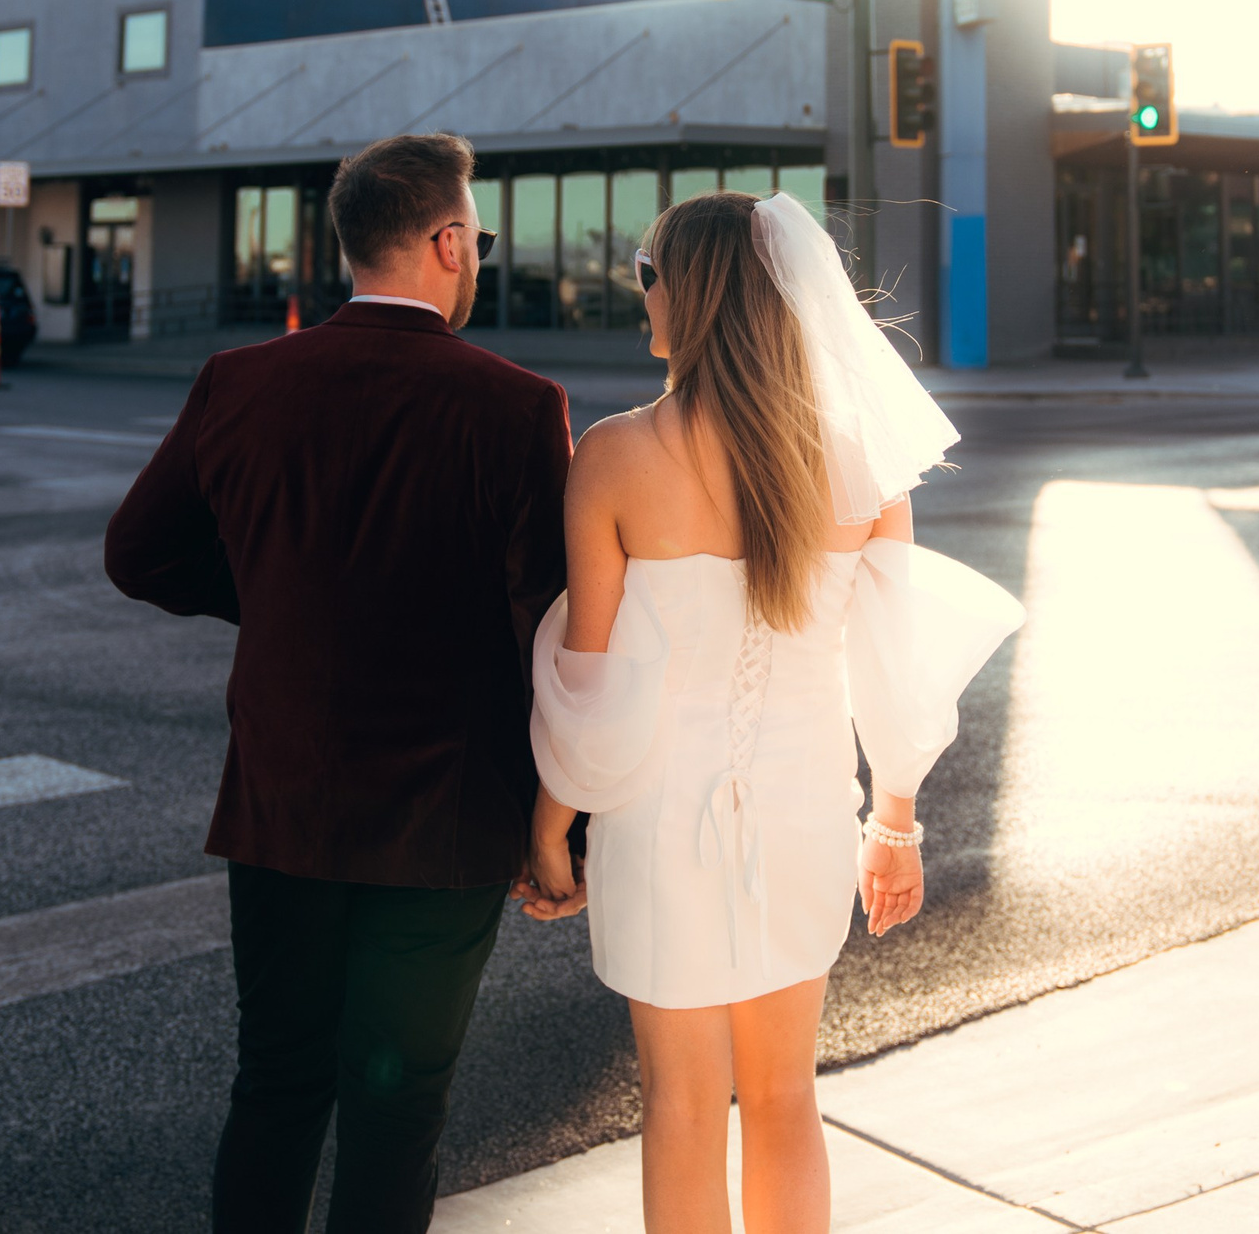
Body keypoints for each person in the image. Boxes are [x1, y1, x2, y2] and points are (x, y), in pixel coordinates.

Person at [516, 190, 1023, 1233]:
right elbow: (893, 664)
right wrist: (895, 821)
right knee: (787, 1096)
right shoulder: (859, 461)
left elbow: (590, 687)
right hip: (805, 815)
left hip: (657, 821)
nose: (640, 296)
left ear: (694, 293)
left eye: (649, 275)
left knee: (680, 1104)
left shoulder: (614, 454)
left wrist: (551, 827)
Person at [105, 133, 571, 1234]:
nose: (477, 257)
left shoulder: (239, 380)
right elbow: (549, 625)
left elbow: (137, 554)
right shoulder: (516, 406)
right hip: (445, 820)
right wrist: (567, 825)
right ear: (447, 242)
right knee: (397, 1108)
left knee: (275, 1084)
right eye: (477, 240)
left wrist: (281, 599)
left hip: (282, 803)